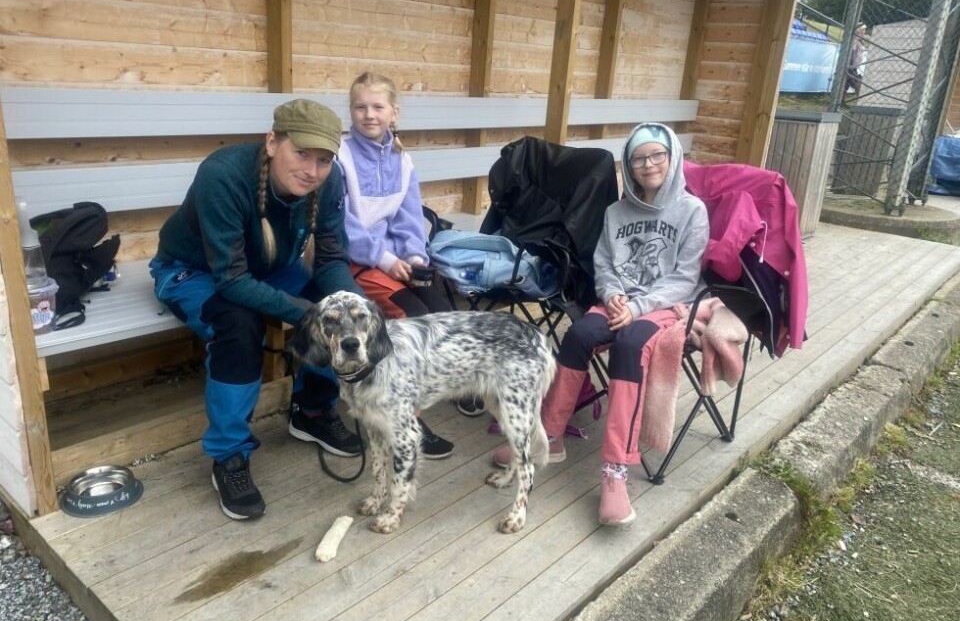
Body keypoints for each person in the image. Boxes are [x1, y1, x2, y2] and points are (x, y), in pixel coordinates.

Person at [150, 98, 365, 521]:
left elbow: (331, 258)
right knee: (239, 326)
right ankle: (229, 454)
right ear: (272, 142)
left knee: (334, 309)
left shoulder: (331, 180)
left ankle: (314, 411)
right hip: (195, 272)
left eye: (323, 159)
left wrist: (354, 308)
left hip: (269, 269)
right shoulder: (223, 175)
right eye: (301, 153)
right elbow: (230, 279)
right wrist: (308, 315)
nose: (312, 170)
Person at [493, 123, 709, 526]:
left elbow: (684, 277)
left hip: (665, 305)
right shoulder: (615, 212)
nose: (648, 165)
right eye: (639, 158)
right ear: (628, 166)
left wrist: (639, 306)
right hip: (618, 301)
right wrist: (611, 296)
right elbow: (604, 265)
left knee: (630, 345)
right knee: (577, 336)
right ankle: (549, 438)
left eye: (656, 155)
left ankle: (615, 470)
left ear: (672, 157)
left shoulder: (691, 211)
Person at [339, 72, 480, 450]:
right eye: (360, 106)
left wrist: (414, 257)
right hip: (358, 262)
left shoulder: (402, 159)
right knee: (410, 319)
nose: (369, 114)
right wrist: (385, 260)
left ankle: (457, 383)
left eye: (377, 106)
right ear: (350, 110)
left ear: (394, 112)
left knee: (439, 311)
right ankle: (409, 422)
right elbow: (342, 224)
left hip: (394, 261)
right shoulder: (341, 156)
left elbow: (409, 214)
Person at [845, 23, 868, 102]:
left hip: (854, 66)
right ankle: (861, 102)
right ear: (858, 30)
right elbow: (851, 50)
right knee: (858, 84)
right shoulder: (854, 39)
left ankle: (841, 101)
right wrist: (850, 64)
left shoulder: (860, 40)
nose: (864, 31)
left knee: (846, 84)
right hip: (850, 65)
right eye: (863, 29)